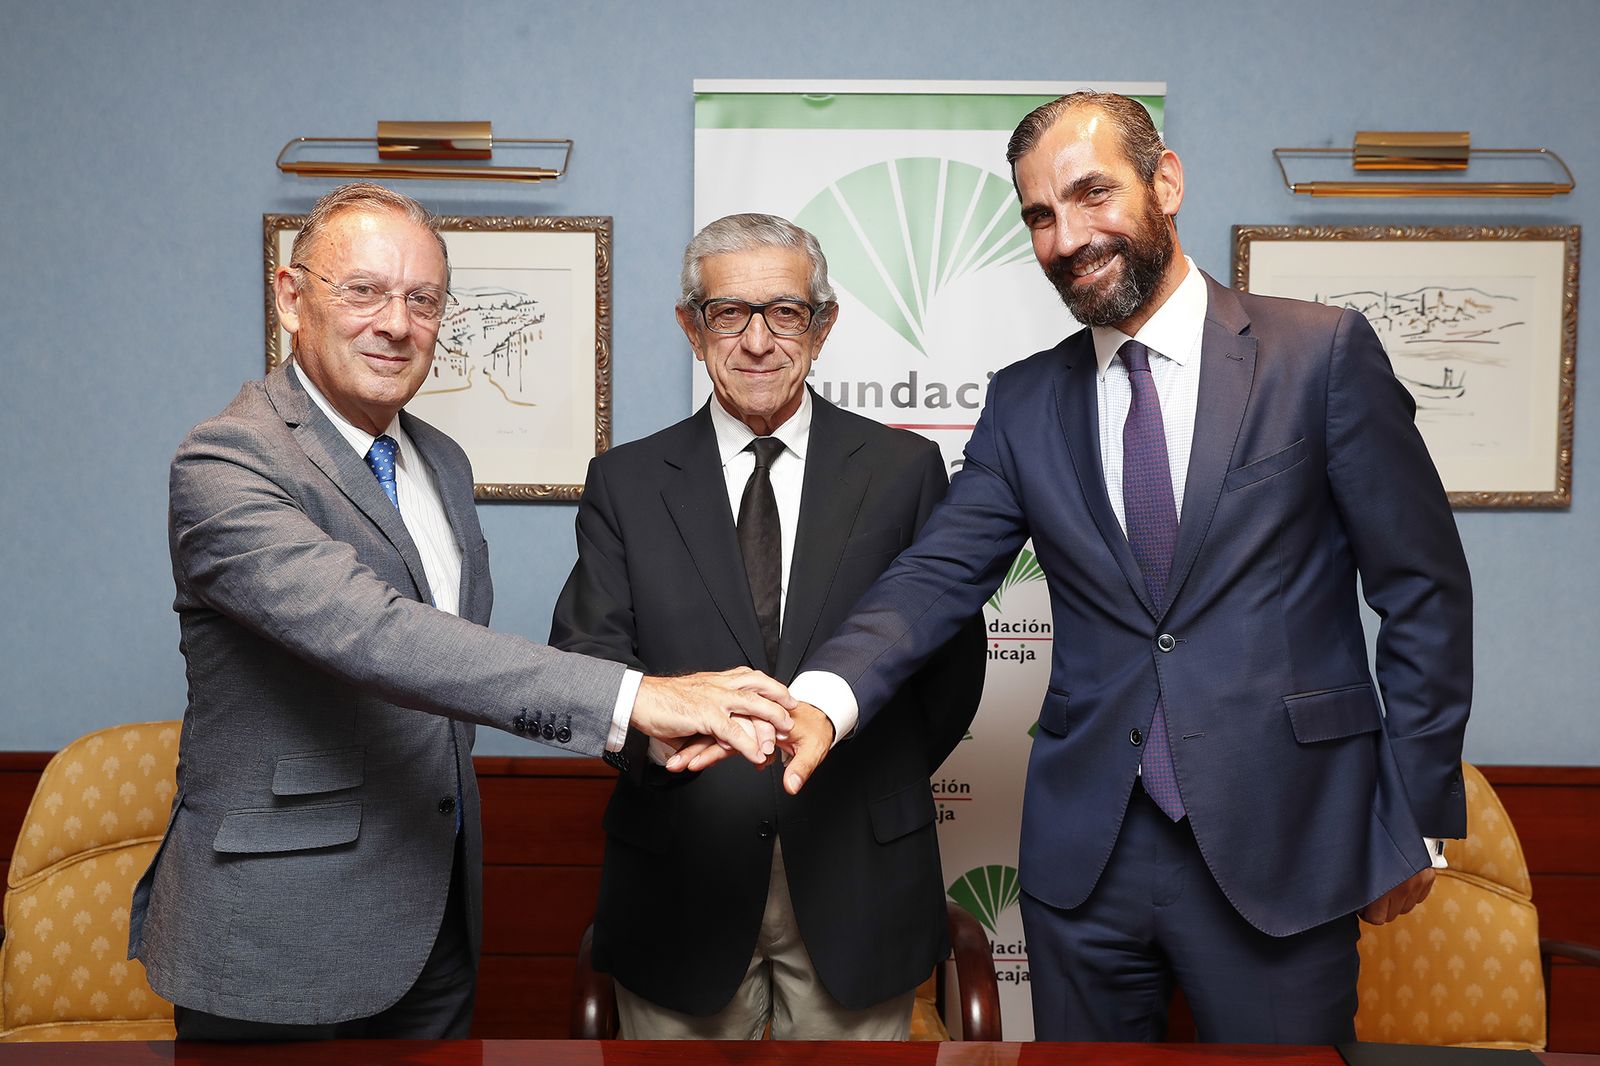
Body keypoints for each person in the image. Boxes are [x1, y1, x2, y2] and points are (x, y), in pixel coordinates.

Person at [720, 92, 1472, 1043]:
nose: (1068, 237)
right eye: (1040, 215)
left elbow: (1424, 592)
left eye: (1091, 194)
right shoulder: (1025, 400)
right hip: (1088, 863)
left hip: (1285, 845)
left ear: (1166, 181)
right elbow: (937, 574)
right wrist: (824, 696)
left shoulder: (1316, 355)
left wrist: (1414, 815)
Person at [128, 183, 794, 1040]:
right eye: (363, 290)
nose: (396, 323)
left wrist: (648, 730)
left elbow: (449, 667)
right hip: (281, 934)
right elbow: (376, 634)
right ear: (292, 299)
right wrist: (637, 700)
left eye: (422, 299)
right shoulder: (228, 460)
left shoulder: (438, 460)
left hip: (434, 915)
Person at [549, 213, 985, 1039]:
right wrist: (661, 742)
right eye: (728, 313)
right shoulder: (625, 482)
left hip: (858, 872)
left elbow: (950, 669)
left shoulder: (903, 473)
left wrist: (862, 774)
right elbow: (586, 656)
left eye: (784, 312)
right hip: (680, 875)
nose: (757, 340)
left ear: (822, 327)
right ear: (691, 326)